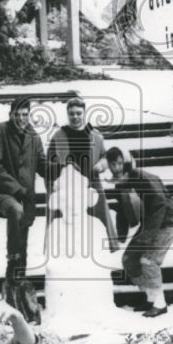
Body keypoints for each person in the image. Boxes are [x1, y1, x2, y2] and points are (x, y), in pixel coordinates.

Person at [0, 98, 46, 306]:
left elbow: (43, 165)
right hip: (2, 194)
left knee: (24, 243)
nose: (21, 119)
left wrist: (63, 165)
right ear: (10, 114)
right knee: (15, 210)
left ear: (29, 115)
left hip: (26, 199)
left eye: (25, 114)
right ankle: (13, 257)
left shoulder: (33, 137)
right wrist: (16, 188)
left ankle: (15, 290)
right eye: (17, 114)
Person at [106, 146, 173, 317]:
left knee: (148, 260)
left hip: (165, 224)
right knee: (129, 259)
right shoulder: (120, 183)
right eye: (112, 164)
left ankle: (160, 304)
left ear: (125, 162)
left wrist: (147, 236)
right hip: (148, 224)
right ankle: (150, 298)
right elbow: (122, 210)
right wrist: (121, 235)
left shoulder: (142, 177)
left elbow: (159, 204)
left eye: (119, 163)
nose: (116, 168)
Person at [46, 96, 116, 245]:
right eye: (72, 113)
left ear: (84, 113)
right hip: (67, 186)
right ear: (67, 114)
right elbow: (49, 161)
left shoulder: (95, 135)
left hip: (91, 182)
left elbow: (105, 155)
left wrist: (102, 164)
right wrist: (59, 169)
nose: (75, 117)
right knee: (65, 225)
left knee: (97, 221)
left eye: (78, 113)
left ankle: (100, 247)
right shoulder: (59, 136)